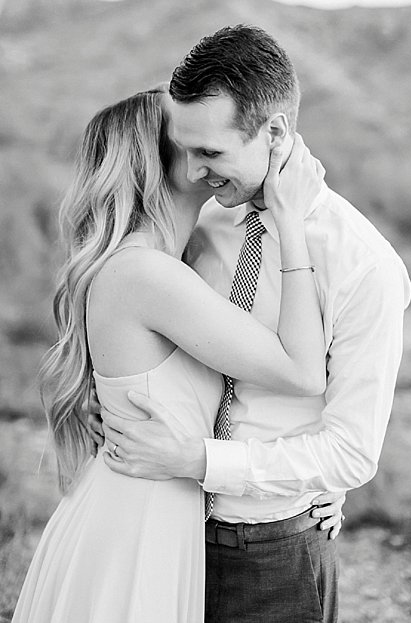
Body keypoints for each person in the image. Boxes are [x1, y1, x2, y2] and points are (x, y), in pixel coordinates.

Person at [91, 25, 411, 623]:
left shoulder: (363, 265)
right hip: (167, 528)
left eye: (211, 153)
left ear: (275, 134)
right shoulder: (204, 223)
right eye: (186, 150)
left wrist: (201, 461)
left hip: (271, 555)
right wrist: (117, 406)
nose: (194, 172)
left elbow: (351, 452)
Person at [13, 86, 341, 622]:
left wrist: (320, 479)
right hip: (136, 525)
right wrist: (290, 219)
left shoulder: (168, 261)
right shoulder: (148, 273)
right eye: (191, 141)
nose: (207, 146)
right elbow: (302, 371)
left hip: (151, 511)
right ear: (164, 164)